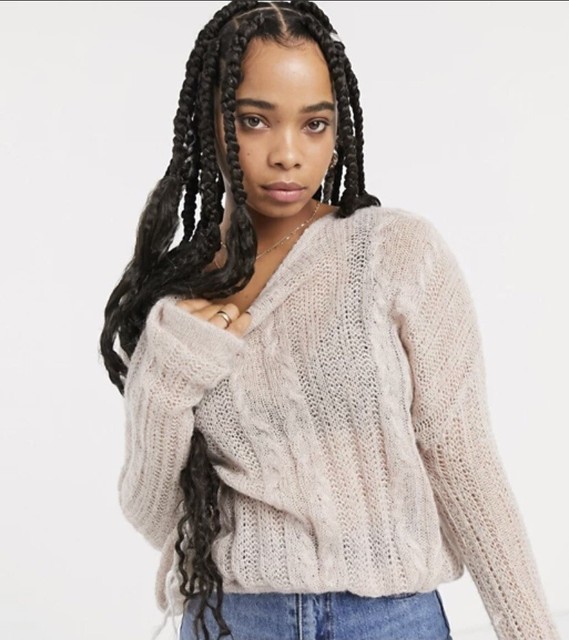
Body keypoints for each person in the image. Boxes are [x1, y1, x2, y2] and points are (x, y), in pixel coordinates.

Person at [99, 2, 561, 639]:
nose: (288, 154)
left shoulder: (395, 253)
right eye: (255, 121)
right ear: (212, 121)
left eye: (314, 124)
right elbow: (155, 516)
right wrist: (168, 379)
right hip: (234, 620)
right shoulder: (180, 297)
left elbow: (463, 461)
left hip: (391, 620)